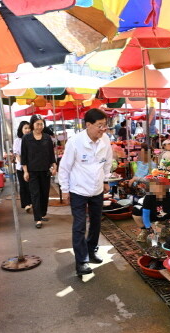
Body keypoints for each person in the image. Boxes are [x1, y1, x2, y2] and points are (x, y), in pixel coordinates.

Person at [58, 108, 113, 276]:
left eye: (105, 125)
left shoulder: (105, 140)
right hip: (78, 190)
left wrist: (105, 180)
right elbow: (64, 167)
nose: (103, 129)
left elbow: (107, 163)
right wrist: (65, 190)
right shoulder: (75, 142)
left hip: (97, 189)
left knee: (96, 223)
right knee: (80, 226)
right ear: (88, 125)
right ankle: (81, 261)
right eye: (99, 125)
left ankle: (91, 251)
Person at [21, 115, 57, 229]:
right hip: (32, 171)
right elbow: (24, 157)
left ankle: (41, 214)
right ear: (32, 125)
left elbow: (51, 155)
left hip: (45, 170)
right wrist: (25, 171)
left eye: (42, 124)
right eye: (37, 124)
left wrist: (54, 166)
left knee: (44, 194)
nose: (40, 126)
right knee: (35, 194)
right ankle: (37, 219)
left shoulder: (47, 137)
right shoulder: (26, 138)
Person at [133, 175, 170, 242]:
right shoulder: (148, 197)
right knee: (135, 210)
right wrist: (148, 228)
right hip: (153, 216)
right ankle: (144, 231)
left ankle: (166, 227)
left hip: (166, 217)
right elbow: (146, 214)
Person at [13, 121, 32, 213]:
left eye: (29, 128)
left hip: (32, 166)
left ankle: (32, 202)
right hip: (21, 167)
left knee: (31, 185)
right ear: (21, 129)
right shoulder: (18, 141)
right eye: (25, 128)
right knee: (23, 185)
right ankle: (26, 204)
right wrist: (24, 165)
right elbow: (17, 155)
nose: (28, 130)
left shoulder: (32, 139)